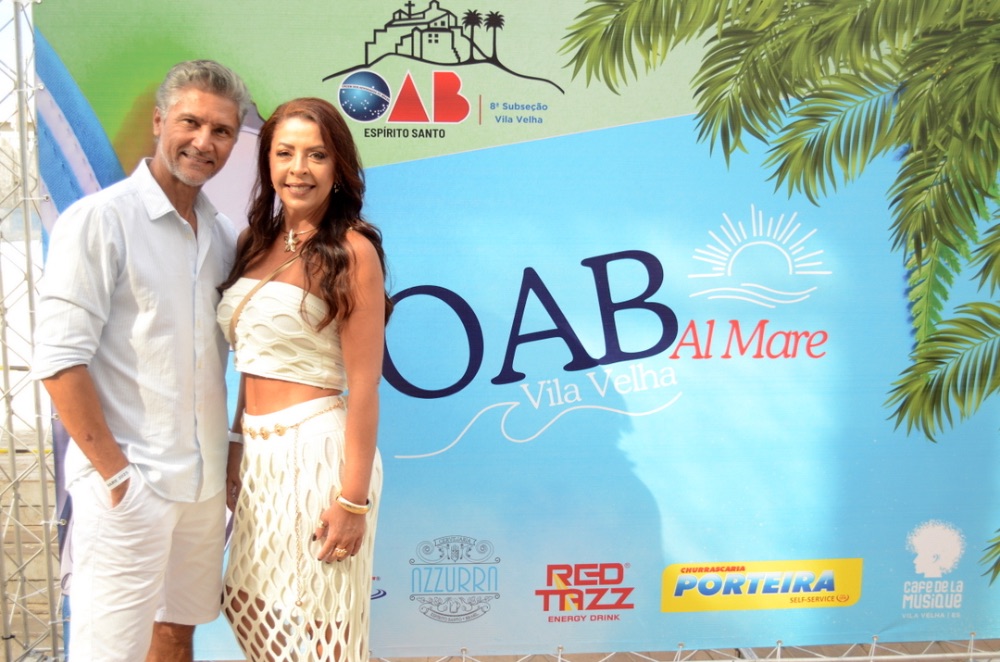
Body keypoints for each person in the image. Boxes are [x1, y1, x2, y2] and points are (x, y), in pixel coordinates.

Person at [32, 60, 252, 661]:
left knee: (177, 634)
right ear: (158, 121)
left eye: (222, 131)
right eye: (190, 122)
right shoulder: (100, 221)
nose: (204, 142)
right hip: (130, 486)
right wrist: (116, 477)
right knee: (109, 651)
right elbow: (59, 360)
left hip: (202, 489)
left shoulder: (222, 236)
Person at [216, 97, 391, 661]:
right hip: (259, 457)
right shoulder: (253, 243)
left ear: (338, 166)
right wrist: (236, 444)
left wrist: (353, 501)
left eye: (316, 155)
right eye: (285, 153)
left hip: (319, 454)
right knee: (244, 603)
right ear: (267, 162)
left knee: (327, 628)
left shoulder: (352, 251)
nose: (299, 169)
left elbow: (365, 386)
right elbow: (253, 360)